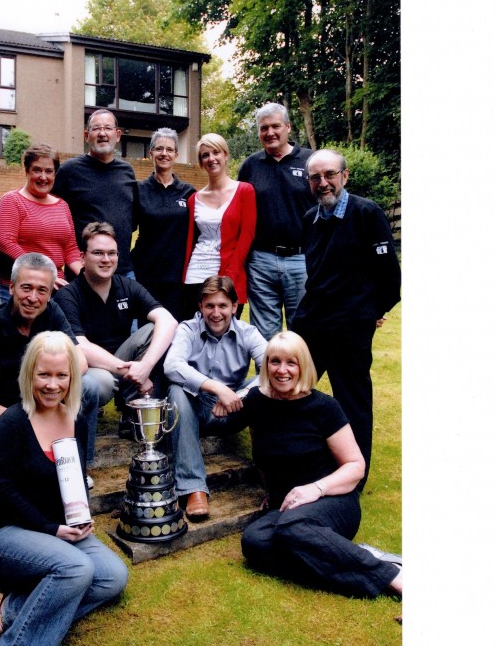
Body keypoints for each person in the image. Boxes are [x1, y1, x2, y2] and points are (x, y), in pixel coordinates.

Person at [0, 332, 129, 646]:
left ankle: (10, 612)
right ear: (30, 374)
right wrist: (51, 529)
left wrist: (80, 516)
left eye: (62, 375)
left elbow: (75, 479)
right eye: (44, 375)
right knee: (77, 570)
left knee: (113, 577)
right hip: (7, 531)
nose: (52, 384)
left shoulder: (74, 417)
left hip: (58, 530)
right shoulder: (12, 422)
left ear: (73, 377)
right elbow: (2, 492)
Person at [239, 331, 402, 599]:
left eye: (291, 362)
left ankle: (395, 577)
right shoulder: (258, 402)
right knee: (255, 542)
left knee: (291, 529)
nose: (282, 370)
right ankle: (358, 557)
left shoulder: (324, 407)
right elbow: (264, 451)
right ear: (265, 365)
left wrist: (316, 488)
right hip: (289, 506)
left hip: (333, 500)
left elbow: (355, 466)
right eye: (274, 361)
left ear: (303, 365)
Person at [292, 149, 401, 482]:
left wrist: (371, 312)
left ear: (345, 175)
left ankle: (354, 477)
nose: (323, 183)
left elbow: (390, 278)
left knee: (352, 402)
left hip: (350, 328)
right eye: (315, 177)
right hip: (311, 324)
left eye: (329, 175)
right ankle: (297, 465)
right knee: (292, 391)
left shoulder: (367, 214)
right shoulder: (311, 219)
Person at [0, 252, 99, 479]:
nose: (33, 297)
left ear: (51, 291)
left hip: (42, 400)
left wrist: (54, 393)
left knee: (89, 386)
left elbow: (79, 360)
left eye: (42, 290)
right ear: (12, 287)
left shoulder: (53, 313)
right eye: (26, 288)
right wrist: (17, 418)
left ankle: (78, 463)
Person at [53, 222, 178, 431]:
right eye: (98, 253)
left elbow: (168, 320)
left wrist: (145, 366)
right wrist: (131, 370)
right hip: (88, 368)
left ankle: (132, 413)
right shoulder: (68, 295)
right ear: (82, 257)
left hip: (123, 362)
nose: (106, 259)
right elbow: (81, 347)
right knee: (101, 382)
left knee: (156, 330)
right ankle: (79, 425)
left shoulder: (126, 285)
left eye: (112, 253)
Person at [164, 276, 267, 520]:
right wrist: (215, 388)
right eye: (209, 306)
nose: (216, 313)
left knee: (268, 391)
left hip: (234, 406)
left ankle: (273, 481)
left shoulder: (248, 332)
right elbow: (172, 365)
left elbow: (272, 369)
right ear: (200, 307)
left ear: (234, 306)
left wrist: (237, 394)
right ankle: (193, 489)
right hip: (197, 404)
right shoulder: (187, 329)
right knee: (176, 390)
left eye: (222, 306)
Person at [237, 102, 316, 338]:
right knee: (263, 335)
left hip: (301, 259)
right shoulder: (250, 166)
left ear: (288, 127)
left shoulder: (311, 161)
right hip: (261, 261)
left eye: (275, 126)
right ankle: (266, 376)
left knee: (301, 330)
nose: (269, 132)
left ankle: (299, 376)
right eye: (263, 128)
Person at [0, 143, 83, 301]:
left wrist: (86, 275)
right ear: (26, 170)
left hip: (54, 289)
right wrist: (42, 273)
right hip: (17, 289)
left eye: (49, 171)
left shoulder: (62, 205)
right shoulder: (12, 200)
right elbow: (5, 242)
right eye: (37, 170)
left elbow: (71, 249)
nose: (43, 177)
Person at [52, 109, 137, 277]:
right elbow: (54, 216)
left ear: (118, 134)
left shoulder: (127, 171)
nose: (102, 133)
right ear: (86, 134)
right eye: (96, 128)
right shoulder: (69, 171)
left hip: (123, 269)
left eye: (107, 128)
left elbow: (131, 220)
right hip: (84, 270)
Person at [183, 133, 256, 317]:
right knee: (197, 334)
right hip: (196, 275)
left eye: (216, 152)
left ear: (225, 155)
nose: (211, 158)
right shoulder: (194, 199)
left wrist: (227, 277)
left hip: (228, 275)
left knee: (226, 332)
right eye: (205, 155)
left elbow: (247, 237)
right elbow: (191, 241)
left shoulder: (244, 191)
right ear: (201, 161)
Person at [131, 127, 196, 322]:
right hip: (146, 275)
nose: (164, 154)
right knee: (147, 332)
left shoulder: (188, 192)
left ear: (176, 154)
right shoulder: (139, 190)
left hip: (178, 279)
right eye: (159, 149)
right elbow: (127, 229)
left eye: (169, 150)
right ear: (151, 153)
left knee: (177, 331)